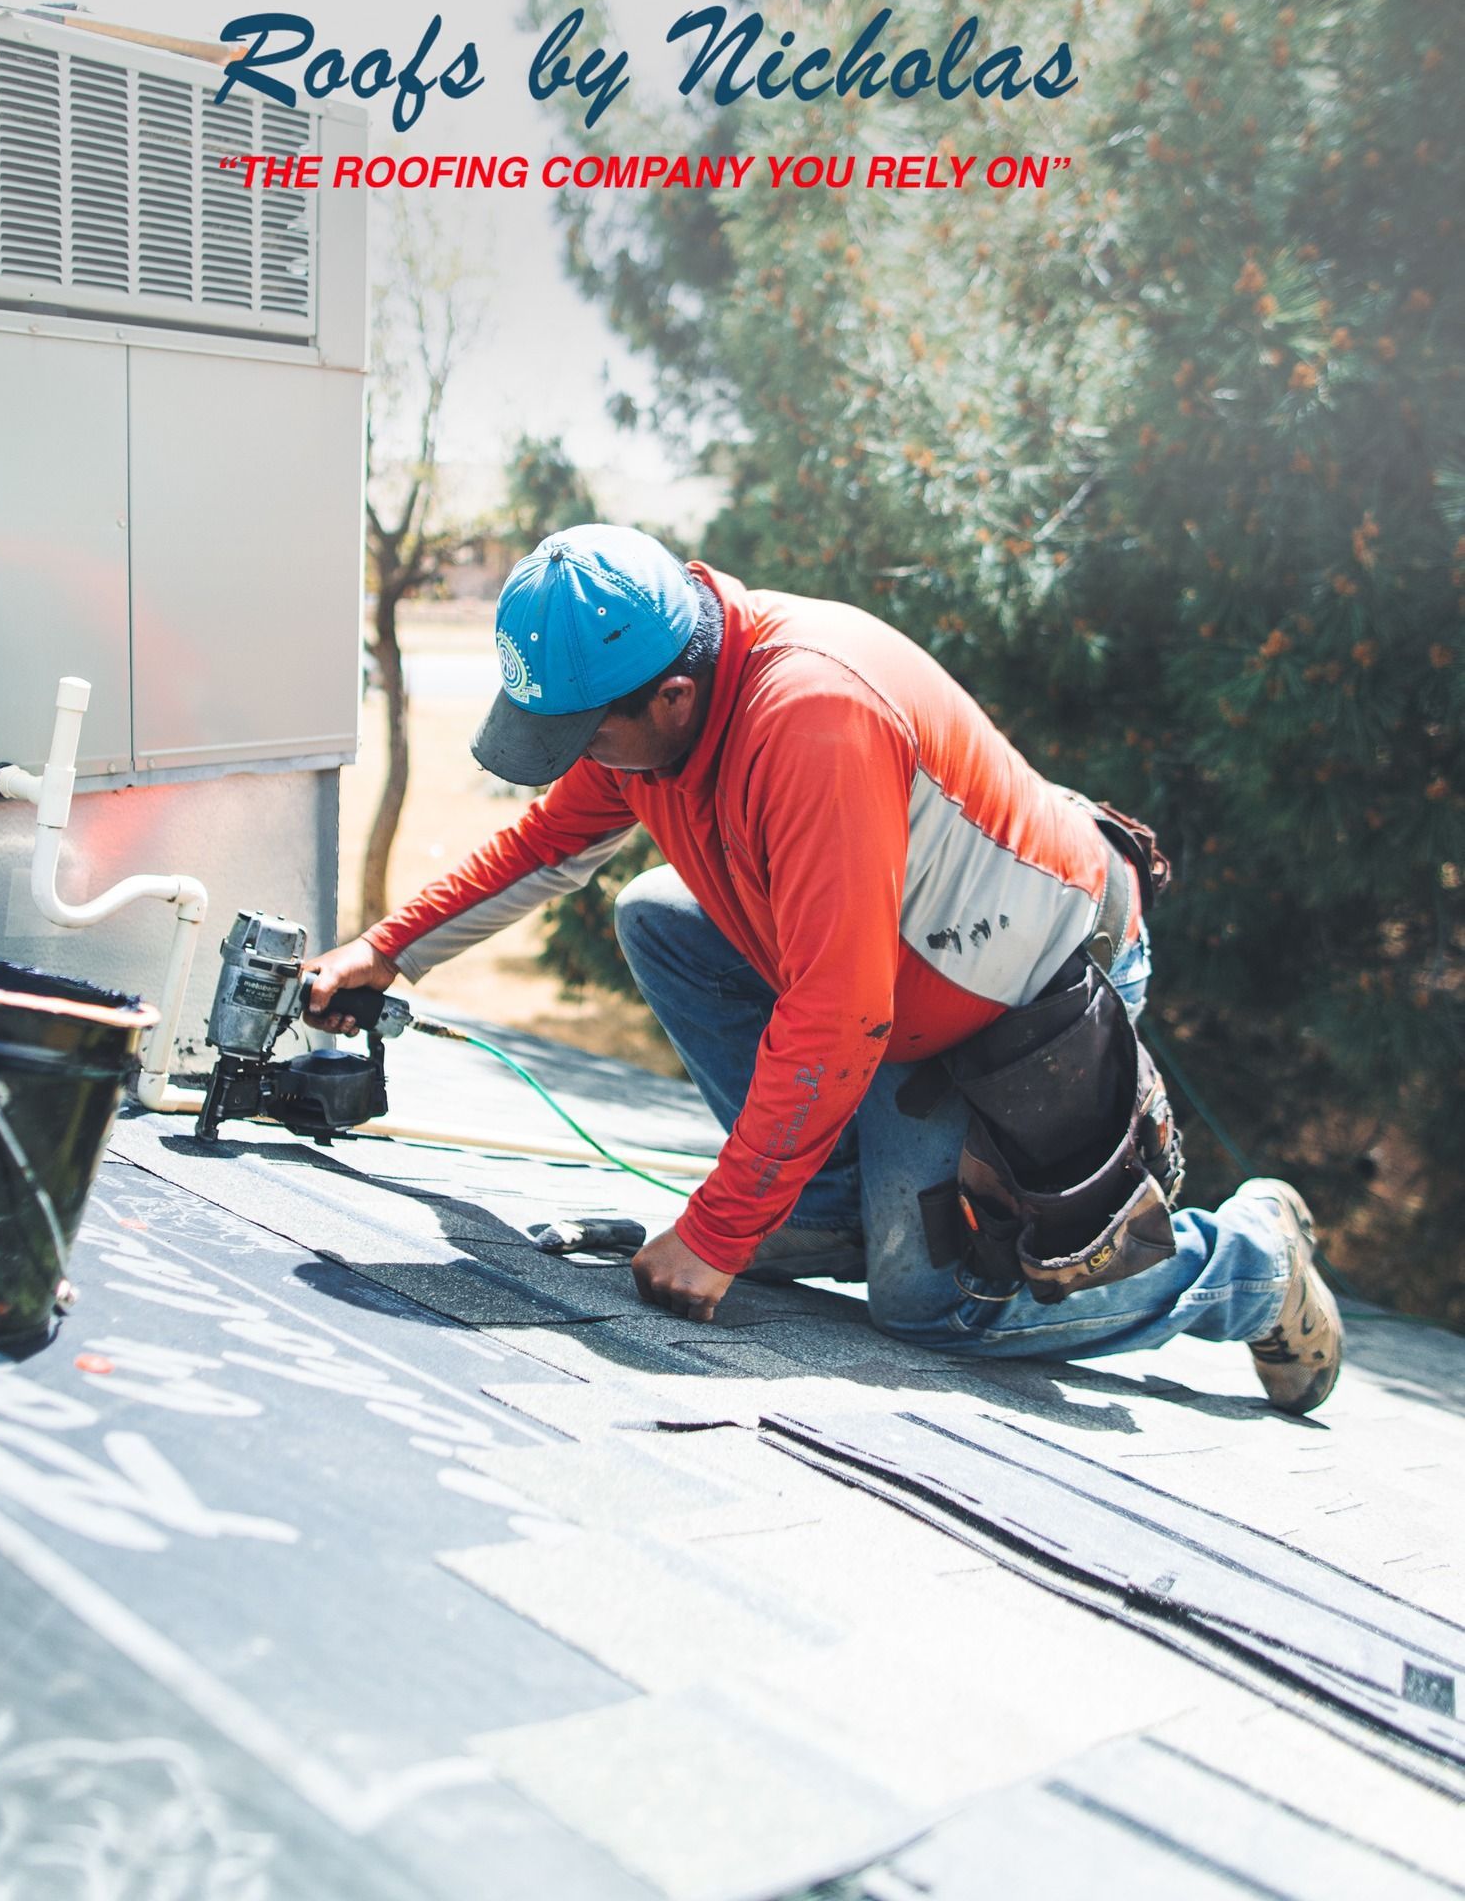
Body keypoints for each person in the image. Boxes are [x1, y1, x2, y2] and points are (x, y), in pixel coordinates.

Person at [307, 525, 1341, 1414]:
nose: (584, 759)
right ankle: (835, 1204)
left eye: (589, 736)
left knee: (931, 1304)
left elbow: (841, 1016)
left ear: (672, 697)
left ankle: (1248, 1265)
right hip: (895, 978)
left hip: (1034, 985)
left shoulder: (811, 721)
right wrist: (386, 951)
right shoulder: (655, 699)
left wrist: (717, 1231)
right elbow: (542, 846)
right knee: (659, 914)